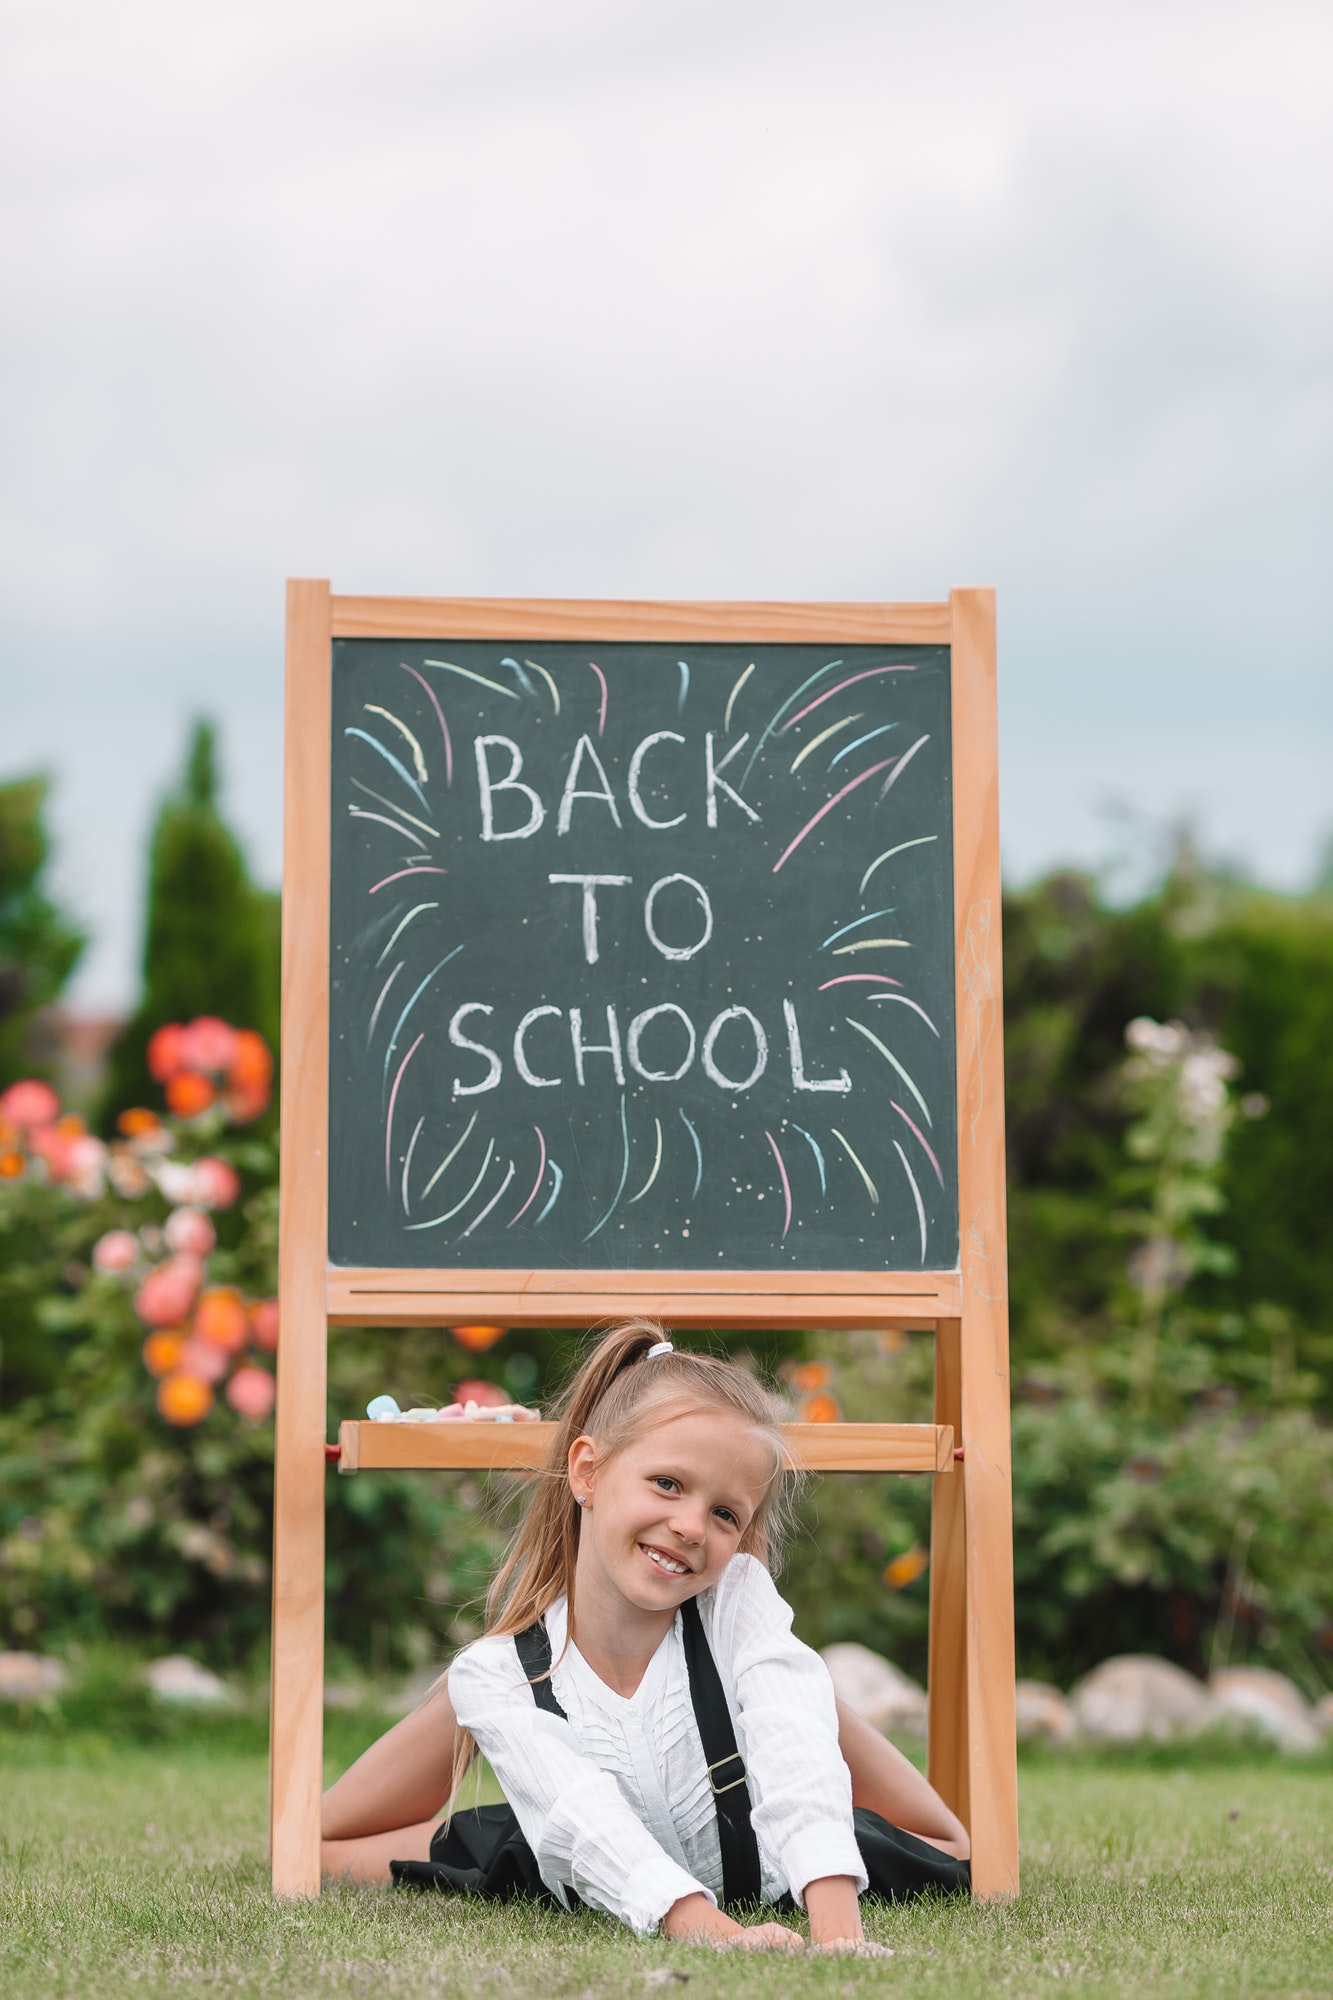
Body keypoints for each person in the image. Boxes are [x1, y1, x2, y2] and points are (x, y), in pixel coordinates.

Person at [322, 1320, 969, 1951]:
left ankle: (782, 1677)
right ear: (587, 1472)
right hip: (570, 1833)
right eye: (667, 1484)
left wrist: (837, 1936)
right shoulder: (498, 1673)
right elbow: (583, 1818)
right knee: (319, 1846)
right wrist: (714, 1932)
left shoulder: (735, 1600)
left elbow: (797, 1752)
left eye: (723, 1514)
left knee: (946, 1846)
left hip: (744, 1830)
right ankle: (508, 1717)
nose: (690, 1525)